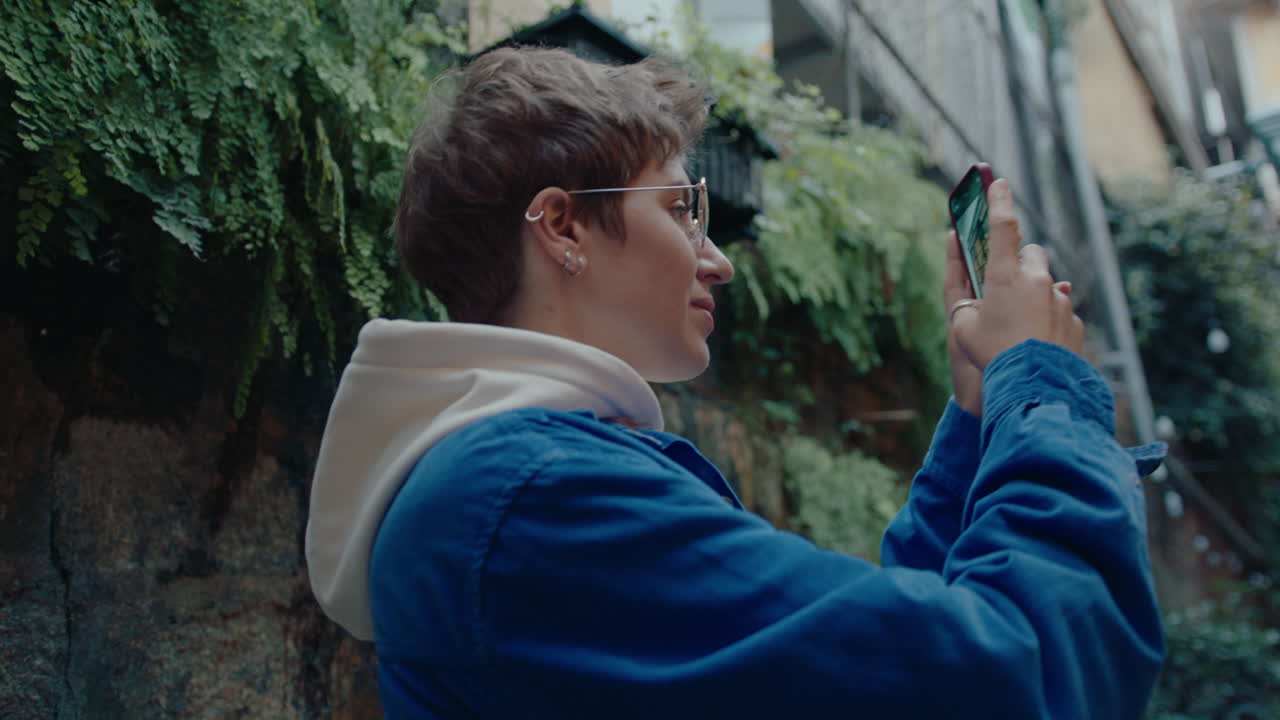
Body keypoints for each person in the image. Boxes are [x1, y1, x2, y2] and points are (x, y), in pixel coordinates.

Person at [305, 46, 1166, 718]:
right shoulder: (533, 496)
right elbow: (1016, 683)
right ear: (563, 225)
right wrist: (1044, 386)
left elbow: (874, 657)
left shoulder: (518, 483)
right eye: (683, 210)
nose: (717, 261)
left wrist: (982, 413)